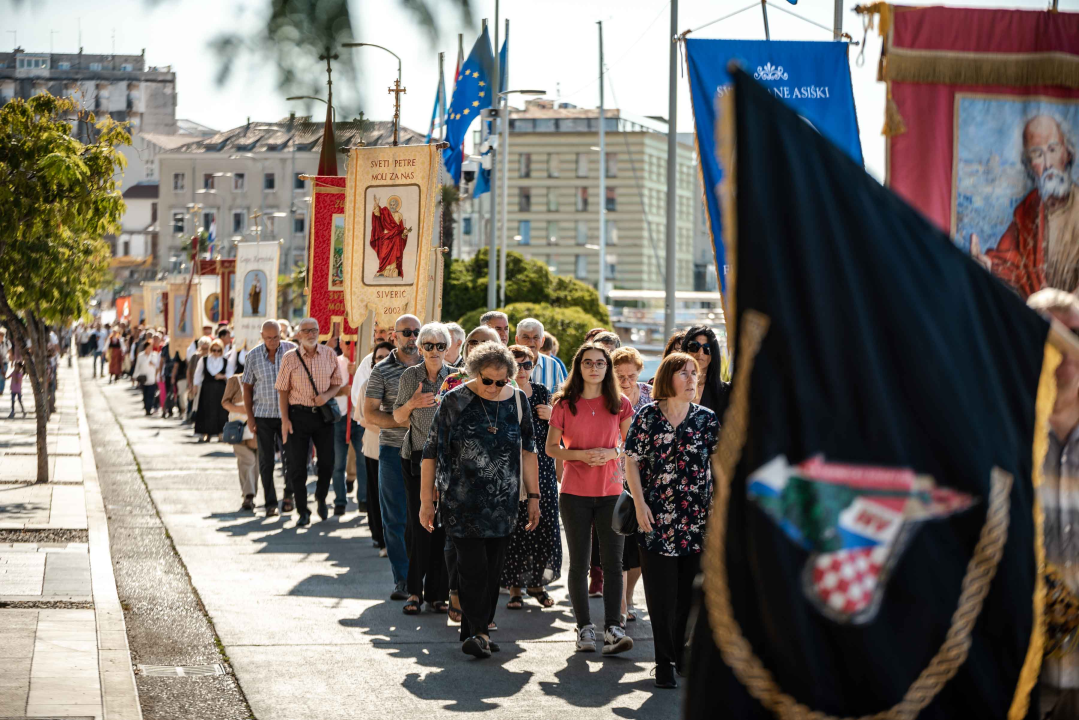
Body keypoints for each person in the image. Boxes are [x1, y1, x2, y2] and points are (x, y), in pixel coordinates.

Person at [420, 341, 540, 659]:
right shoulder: (454, 401)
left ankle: (476, 629)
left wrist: (534, 497)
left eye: (501, 381)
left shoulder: (517, 400)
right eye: (487, 380)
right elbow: (430, 453)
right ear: (474, 372)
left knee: (492, 570)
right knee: (472, 568)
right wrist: (425, 501)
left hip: (503, 504)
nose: (493, 387)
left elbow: (529, 451)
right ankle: (480, 633)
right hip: (461, 503)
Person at [625, 352, 720, 688]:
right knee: (660, 596)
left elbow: (719, 467)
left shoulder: (707, 419)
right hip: (655, 520)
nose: (692, 378)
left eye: (694, 372)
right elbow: (631, 460)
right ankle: (663, 661)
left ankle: (681, 654)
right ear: (668, 377)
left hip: (697, 521)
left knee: (688, 596)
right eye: (684, 372)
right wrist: (639, 505)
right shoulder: (648, 416)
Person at [546, 342, 635, 655]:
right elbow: (551, 448)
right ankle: (584, 627)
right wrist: (580, 455)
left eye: (600, 363)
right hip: (574, 494)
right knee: (580, 564)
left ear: (607, 368)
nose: (594, 368)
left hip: (611, 493)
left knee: (613, 564)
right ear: (578, 366)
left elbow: (630, 445)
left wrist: (612, 452)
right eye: (588, 362)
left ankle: (613, 628)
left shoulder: (620, 402)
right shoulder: (563, 404)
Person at [1027, 288, 1079, 716]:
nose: (1063, 349)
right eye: (1048, 336)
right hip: (1028, 657)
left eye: (1073, 334)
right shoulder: (1007, 429)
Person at [434, 325, 502, 623]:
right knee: (455, 541)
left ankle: (482, 612)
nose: (478, 345)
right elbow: (440, 433)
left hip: (497, 481)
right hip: (457, 478)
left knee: (490, 550)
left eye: (486, 342)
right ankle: (455, 591)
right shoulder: (452, 382)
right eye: (473, 341)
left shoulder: (507, 384)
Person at [974, 115, 1079, 298]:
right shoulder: (1027, 210)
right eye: (1037, 154)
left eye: (1053, 149)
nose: (1047, 164)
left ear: (1067, 153)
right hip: (1035, 314)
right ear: (1030, 165)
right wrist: (988, 267)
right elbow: (1009, 264)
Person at [393, 322, 454, 614]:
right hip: (416, 456)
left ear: (447, 348)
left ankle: (437, 594)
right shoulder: (410, 376)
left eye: (440, 345)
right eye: (428, 345)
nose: (434, 351)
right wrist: (413, 403)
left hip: (449, 460)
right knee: (420, 524)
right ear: (420, 348)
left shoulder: (456, 378)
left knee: (443, 527)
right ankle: (414, 591)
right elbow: (397, 417)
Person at [366, 314, 424, 598]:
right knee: (395, 518)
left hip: (428, 452)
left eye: (416, 332)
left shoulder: (433, 365)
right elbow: (370, 413)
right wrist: (400, 422)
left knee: (427, 517)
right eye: (406, 332)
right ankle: (403, 579)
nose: (412, 337)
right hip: (392, 450)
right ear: (394, 336)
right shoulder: (381, 370)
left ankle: (428, 581)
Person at [501, 344, 561, 610]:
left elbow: (559, 430)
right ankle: (515, 589)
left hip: (542, 468)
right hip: (511, 468)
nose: (522, 370)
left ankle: (537, 584)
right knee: (514, 529)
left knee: (543, 526)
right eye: (517, 365)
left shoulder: (542, 392)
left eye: (528, 365)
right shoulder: (502, 392)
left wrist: (552, 415)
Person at [276, 318, 343, 527]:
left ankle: (321, 497)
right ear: (299, 334)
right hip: (298, 415)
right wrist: (285, 420)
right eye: (306, 330)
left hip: (323, 417)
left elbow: (337, 383)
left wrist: (327, 396)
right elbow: (282, 390)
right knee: (297, 466)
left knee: (327, 463)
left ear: (319, 332)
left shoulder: (329, 354)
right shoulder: (289, 358)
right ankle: (302, 510)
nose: (311, 334)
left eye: (314, 330)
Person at [611, 346, 653, 624]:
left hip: (647, 478)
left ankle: (628, 594)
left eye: (631, 376)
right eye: (620, 376)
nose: (626, 382)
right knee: (619, 543)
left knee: (640, 545)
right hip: (615, 478)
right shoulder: (607, 398)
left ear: (639, 372)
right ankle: (621, 605)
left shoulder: (650, 395)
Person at [243, 321, 298, 517]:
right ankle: (270, 503)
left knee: (292, 458)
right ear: (262, 336)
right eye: (269, 338)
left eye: (276, 337)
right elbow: (247, 388)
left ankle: (289, 496)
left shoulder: (292, 351)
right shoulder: (253, 356)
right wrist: (250, 418)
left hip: (288, 415)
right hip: (263, 415)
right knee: (266, 461)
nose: (273, 341)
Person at [355, 341, 394, 553]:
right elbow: (362, 419)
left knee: (394, 496)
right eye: (379, 357)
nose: (383, 361)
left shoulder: (404, 383)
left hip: (398, 447)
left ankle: (395, 539)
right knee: (375, 494)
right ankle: (380, 537)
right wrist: (390, 427)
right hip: (374, 448)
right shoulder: (366, 386)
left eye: (388, 356)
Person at [222, 371, 260, 511]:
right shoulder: (235, 380)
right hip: (238, 430)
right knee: (248, 461)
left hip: (259, 430)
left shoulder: (265, 379)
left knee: (256, 465)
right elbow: (225, 402)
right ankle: (249, 495)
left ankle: (250, 494)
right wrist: (243, 409)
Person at [680, 326, 730, 418]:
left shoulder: (725, 392)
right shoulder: (670, 386)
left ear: (713, 354)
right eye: (694, 346)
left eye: (707, 349)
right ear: (685, 350)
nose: (700, 353)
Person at [328, 337, 352, 515]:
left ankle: (365, 501)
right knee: (338, 463)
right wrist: (341, 390)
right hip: (338, 417)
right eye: (348, 342)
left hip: (357, 418)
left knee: (362, 462)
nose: (351, 347)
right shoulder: (334, 363)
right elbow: (323, 389)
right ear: (341, 343)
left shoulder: (368, 362)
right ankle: (340, 501)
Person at [514, 318, 567, 395]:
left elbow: (561, 397)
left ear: (542, 341)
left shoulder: (553, 365)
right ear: (517, 340)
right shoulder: (507, 364)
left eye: (535, 337)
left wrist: (550, 404)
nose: (531, 342)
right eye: (526, 337)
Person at [194, 339, 230, 441]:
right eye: (214, 350)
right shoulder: (204, 360)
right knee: (206, 410)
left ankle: (221, 433)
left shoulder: (225, 361)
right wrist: (195, 386)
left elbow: (230, 374)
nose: (216, 352)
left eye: (218, 350)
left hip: (220, 389)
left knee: (221, 411)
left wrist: (222, 376)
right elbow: (198, 374)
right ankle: (206, 433)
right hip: (207, 389)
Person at [133, 341, 160, 415]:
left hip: (152, 377)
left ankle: (149, 408)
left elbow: (158, 366)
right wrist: (135, 376)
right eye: (148, 348)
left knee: (151, 394)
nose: (149, 349)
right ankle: (146, 407)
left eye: (150, 348)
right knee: (145, 394)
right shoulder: (140, 356)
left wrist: (153, 364)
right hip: (144, 378)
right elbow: (137, 366)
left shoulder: (154, 355)